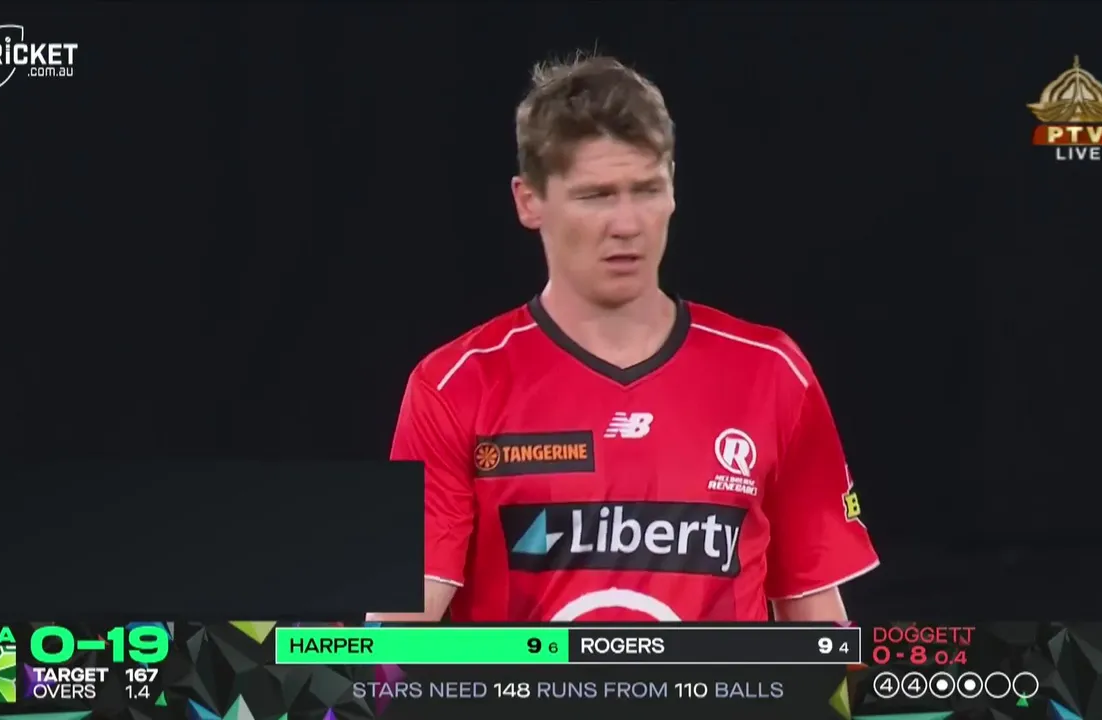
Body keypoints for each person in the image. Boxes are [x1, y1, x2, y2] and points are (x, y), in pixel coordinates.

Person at [370, 54, 878, 623]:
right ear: (529, 201)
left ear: (673, 189)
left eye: (647, 190)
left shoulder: (771, 372)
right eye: (596, 196)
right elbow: (396, 637)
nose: (628, 224)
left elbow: (820, 631)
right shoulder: (453, 385)